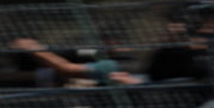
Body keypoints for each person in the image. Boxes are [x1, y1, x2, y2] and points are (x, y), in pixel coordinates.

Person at [10, 37, 141, 86]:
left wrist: (33, 49)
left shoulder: (115, 65)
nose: (105, 45)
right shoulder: (134, 65)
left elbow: (67, 69)